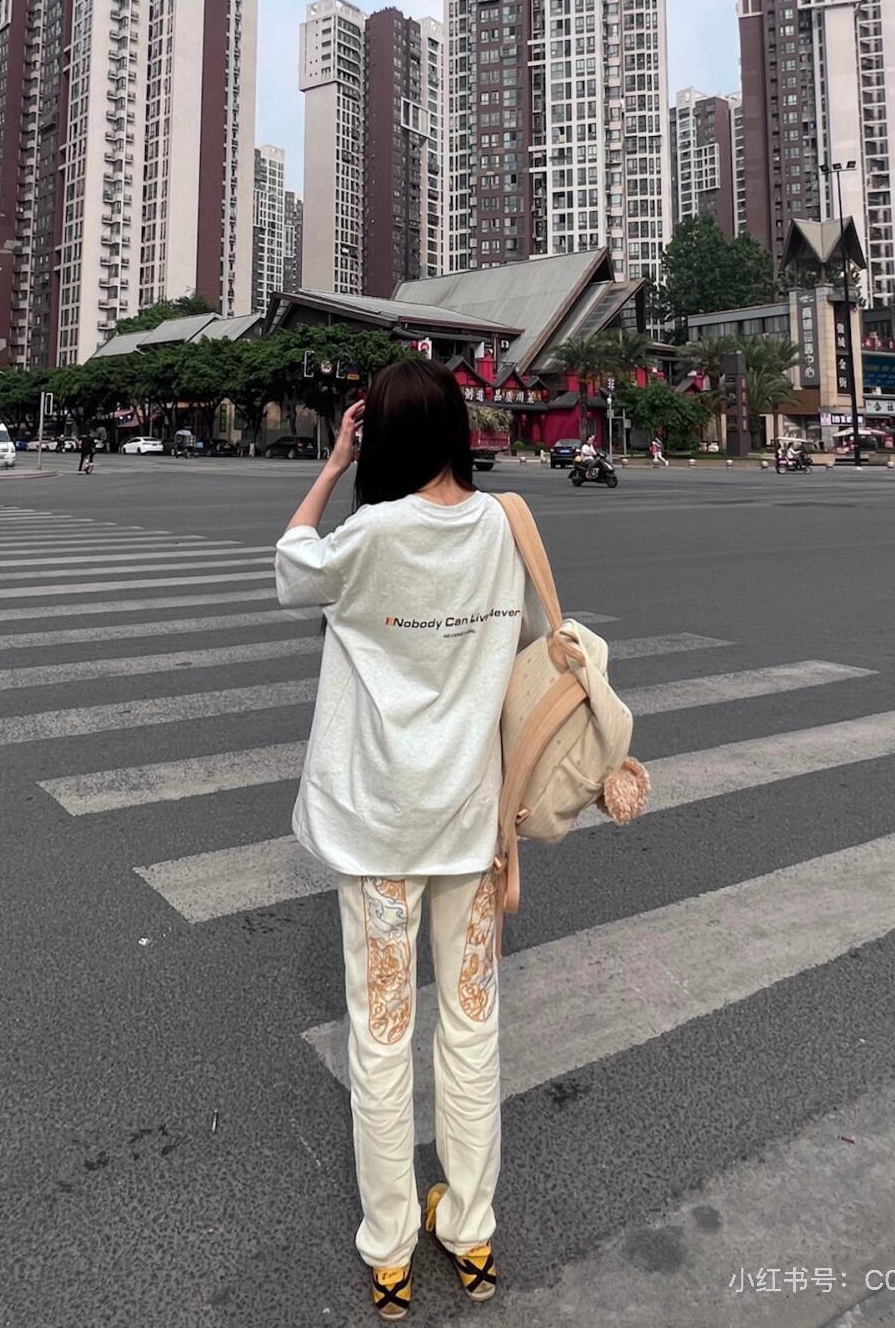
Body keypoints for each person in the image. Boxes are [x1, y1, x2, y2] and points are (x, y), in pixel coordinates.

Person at [275, 359, 547, 1320]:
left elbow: (290, 568)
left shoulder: (374, 533)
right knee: (471, 1031)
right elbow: (521, 644)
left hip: (380, 829)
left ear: (379, 438)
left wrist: (331, 464)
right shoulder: (504, 527)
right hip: (470, 825)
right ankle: (470, 1230)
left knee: (382, 1039)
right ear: (460, 431)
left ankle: (389, 1248)